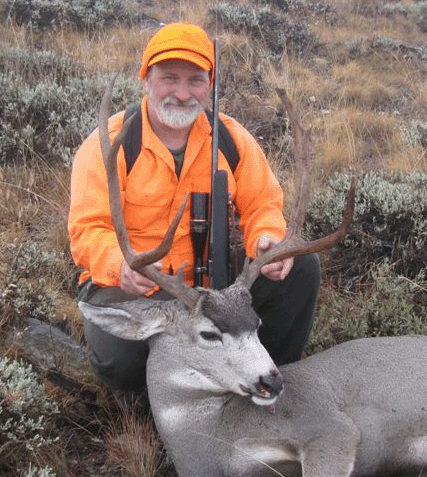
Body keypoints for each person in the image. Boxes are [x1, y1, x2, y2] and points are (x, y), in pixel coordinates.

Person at [68, 22, 320, 396]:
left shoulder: (231, 139)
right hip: (137, 283)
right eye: (169, 78)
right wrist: (119, 264)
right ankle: (150, 407)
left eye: (196, 81)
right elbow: (88, 228)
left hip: (214, 280)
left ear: (209, 85)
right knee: (122, 361)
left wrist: (267, 237)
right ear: (146, 80)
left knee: (300, 268)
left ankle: (266, 383)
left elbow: (263, 203)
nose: (182, 93)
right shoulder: (109, 144)